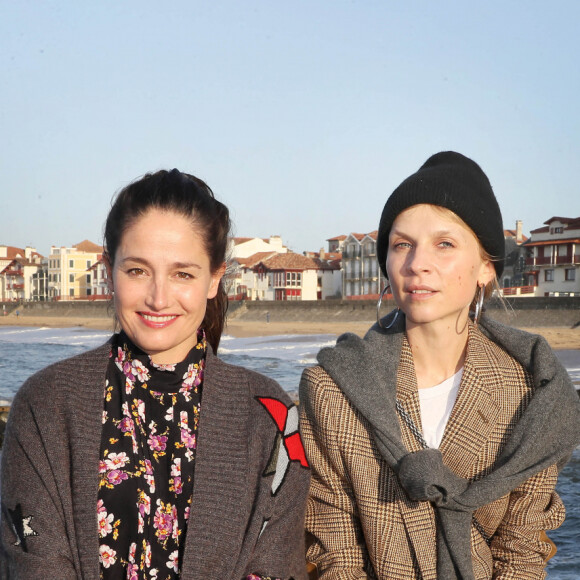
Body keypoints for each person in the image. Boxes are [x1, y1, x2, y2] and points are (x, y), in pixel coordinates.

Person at [1, 169, 310, 579]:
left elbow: (276, 566)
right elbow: (33, 565)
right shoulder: (45, 405)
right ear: (110, 270)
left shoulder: (271, 416)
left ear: (214, 279)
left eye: (182, 273)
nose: (158, 298)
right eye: (137, 271)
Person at [299, 152, 580, 579]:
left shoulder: (532, 394)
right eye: (401, 245)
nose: (417, 264)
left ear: (486, 267)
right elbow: (331, 551)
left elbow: (522, 550)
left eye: (444, 244)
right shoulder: (332, 388)